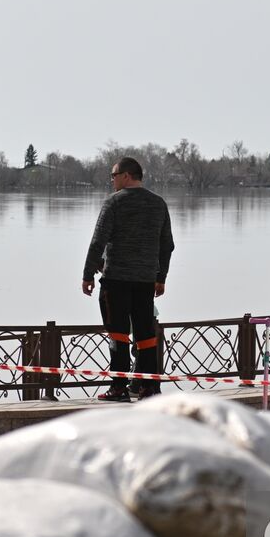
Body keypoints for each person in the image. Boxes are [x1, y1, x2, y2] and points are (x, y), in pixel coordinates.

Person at [81, 157, 174, 401]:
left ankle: (119, 387)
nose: (111, 180)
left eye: (113, 175)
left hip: (116, 279)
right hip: (145, 281)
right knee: (146, 335)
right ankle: (149, 388)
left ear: (126, 175)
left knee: (118, 334)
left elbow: (97, 241)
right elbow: (167, 245)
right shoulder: (158, 204)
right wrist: (161, 277)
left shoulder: (114, 202)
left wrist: (87, 274)